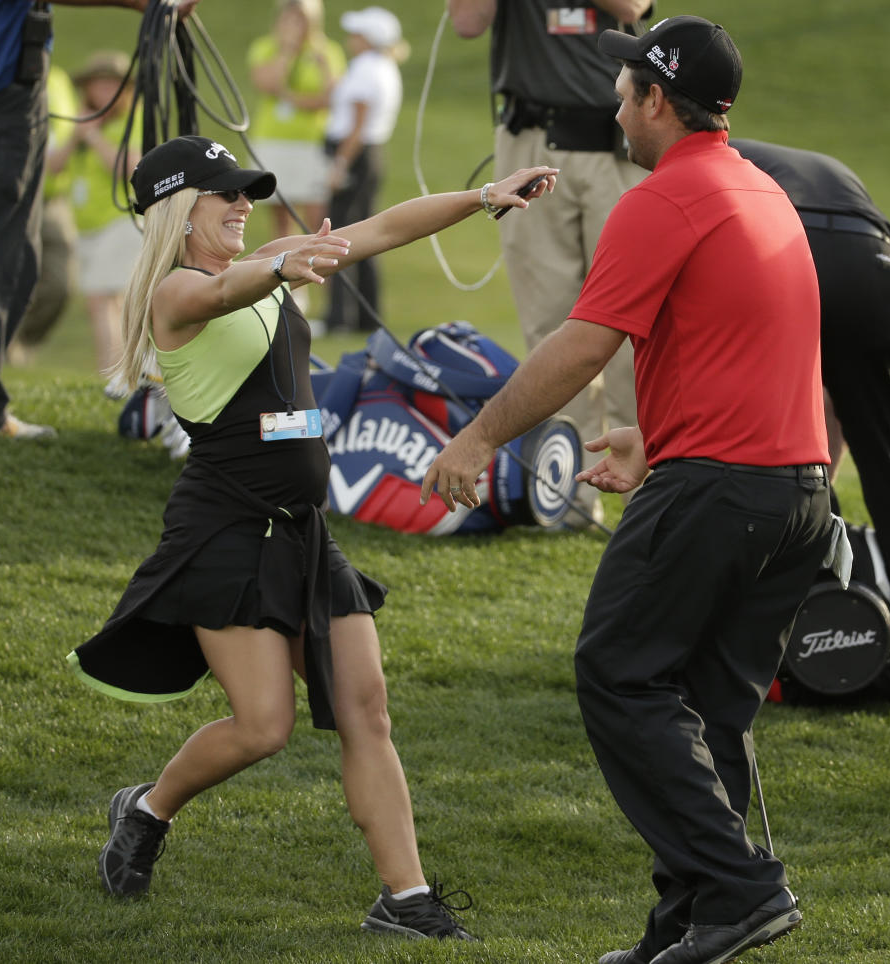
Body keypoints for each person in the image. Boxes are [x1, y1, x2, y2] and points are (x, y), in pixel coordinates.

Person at [66, 133, 556, 935]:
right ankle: (147, 812)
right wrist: (276, 270)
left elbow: (385, 229)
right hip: (224, 526)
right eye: (226, 194)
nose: (243, 205)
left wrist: (481, 197)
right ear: (178, 213)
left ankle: (405, 901)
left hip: (301, 527)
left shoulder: (268, 263)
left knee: (368, 708)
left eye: (247, 193)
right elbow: (220, 297)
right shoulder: (175, 295)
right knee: (263, 726)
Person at [420, 17, 835, 964]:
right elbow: (754, 347)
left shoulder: (666, 199)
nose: (613, 99)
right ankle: (689, 928)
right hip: (795, 493)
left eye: (625, 87)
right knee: (707, 713)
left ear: (657, 100)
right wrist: (656, 439)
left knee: (617, 672)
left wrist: (480, 436)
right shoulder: (757, 189)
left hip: (720, 492)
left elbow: (581, 343)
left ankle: (742, 891)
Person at [731, 137, 890, 706]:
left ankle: (741, 655)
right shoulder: (804, 163)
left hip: (798, 256)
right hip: (881, 270)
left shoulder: (701, 160)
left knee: (749, 464)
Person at [446, 0, 653, 529]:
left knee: (635, 332)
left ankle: (650, 492)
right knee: (550, 327)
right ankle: (572, 496)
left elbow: (631, 5)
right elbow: (468, 23)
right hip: (531, 137)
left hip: (615, 146)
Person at [0, 0, 196, 441]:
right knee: (5, 257)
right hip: (1, 89)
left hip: (9, 87)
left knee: (17, 261)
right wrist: (151, 3)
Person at [46, 49, 142, 393]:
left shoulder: (129, 121)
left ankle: (114, 376)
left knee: (102, 299)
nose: (104, 91)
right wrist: (76, 135)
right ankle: (121, 373)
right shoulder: (78, 122)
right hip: (87, 226)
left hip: (118, 220)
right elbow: (53, 166)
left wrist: (94, 137)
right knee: (107, 301)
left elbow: (131, 169)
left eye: (111, 84)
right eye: (98, 84)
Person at [322, 5, 407, 333]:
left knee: (341, 235)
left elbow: (356, 126)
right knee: (366, 234)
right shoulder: (382, 67)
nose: (351, 39)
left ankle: (339, 318)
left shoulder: (366, 68)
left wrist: (340, 165)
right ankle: (365, 318)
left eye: (357, 34)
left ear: (369, 39)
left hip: (354, 156)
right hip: (369, 157)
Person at [247, 0, 346, 238]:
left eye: (300, 19)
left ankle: (322, 273)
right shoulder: (265, 47)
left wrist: (291, 98)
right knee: (282, 223)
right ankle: (283, 272)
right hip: (273, 140)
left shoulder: (327, 51)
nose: (294, 25)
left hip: (312, 142)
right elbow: (267, 84)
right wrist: (287, 52)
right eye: (288, 19)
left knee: (317, 221)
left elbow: (333, 98)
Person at [9, 63, 79, 365]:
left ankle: (18, 342)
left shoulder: (57, 78)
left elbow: (63, 136)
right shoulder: (0, 71)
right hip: (7, 197)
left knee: (60, 282)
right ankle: (2, 346)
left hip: (51, 197)